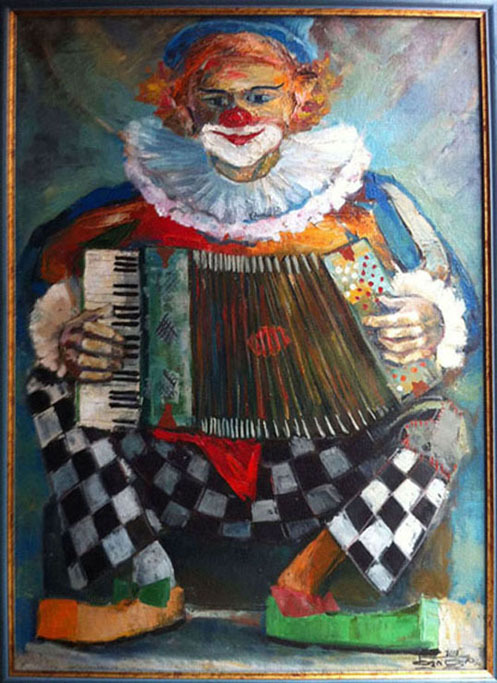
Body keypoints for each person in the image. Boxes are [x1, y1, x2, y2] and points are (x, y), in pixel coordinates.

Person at [24, 18, 478, 645]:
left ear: (299, 99)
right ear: (183, 105)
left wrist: (432, 320)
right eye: (216, 98)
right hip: (175, 471)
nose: (237, 115)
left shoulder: (368, 205)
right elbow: (36, 272)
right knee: (49, 387)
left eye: (260, 95)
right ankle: (140, 587)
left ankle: (309, 592)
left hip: (318, 469)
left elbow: (462, 304)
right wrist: (68, 333)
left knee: (444, 425)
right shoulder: (133, 206)